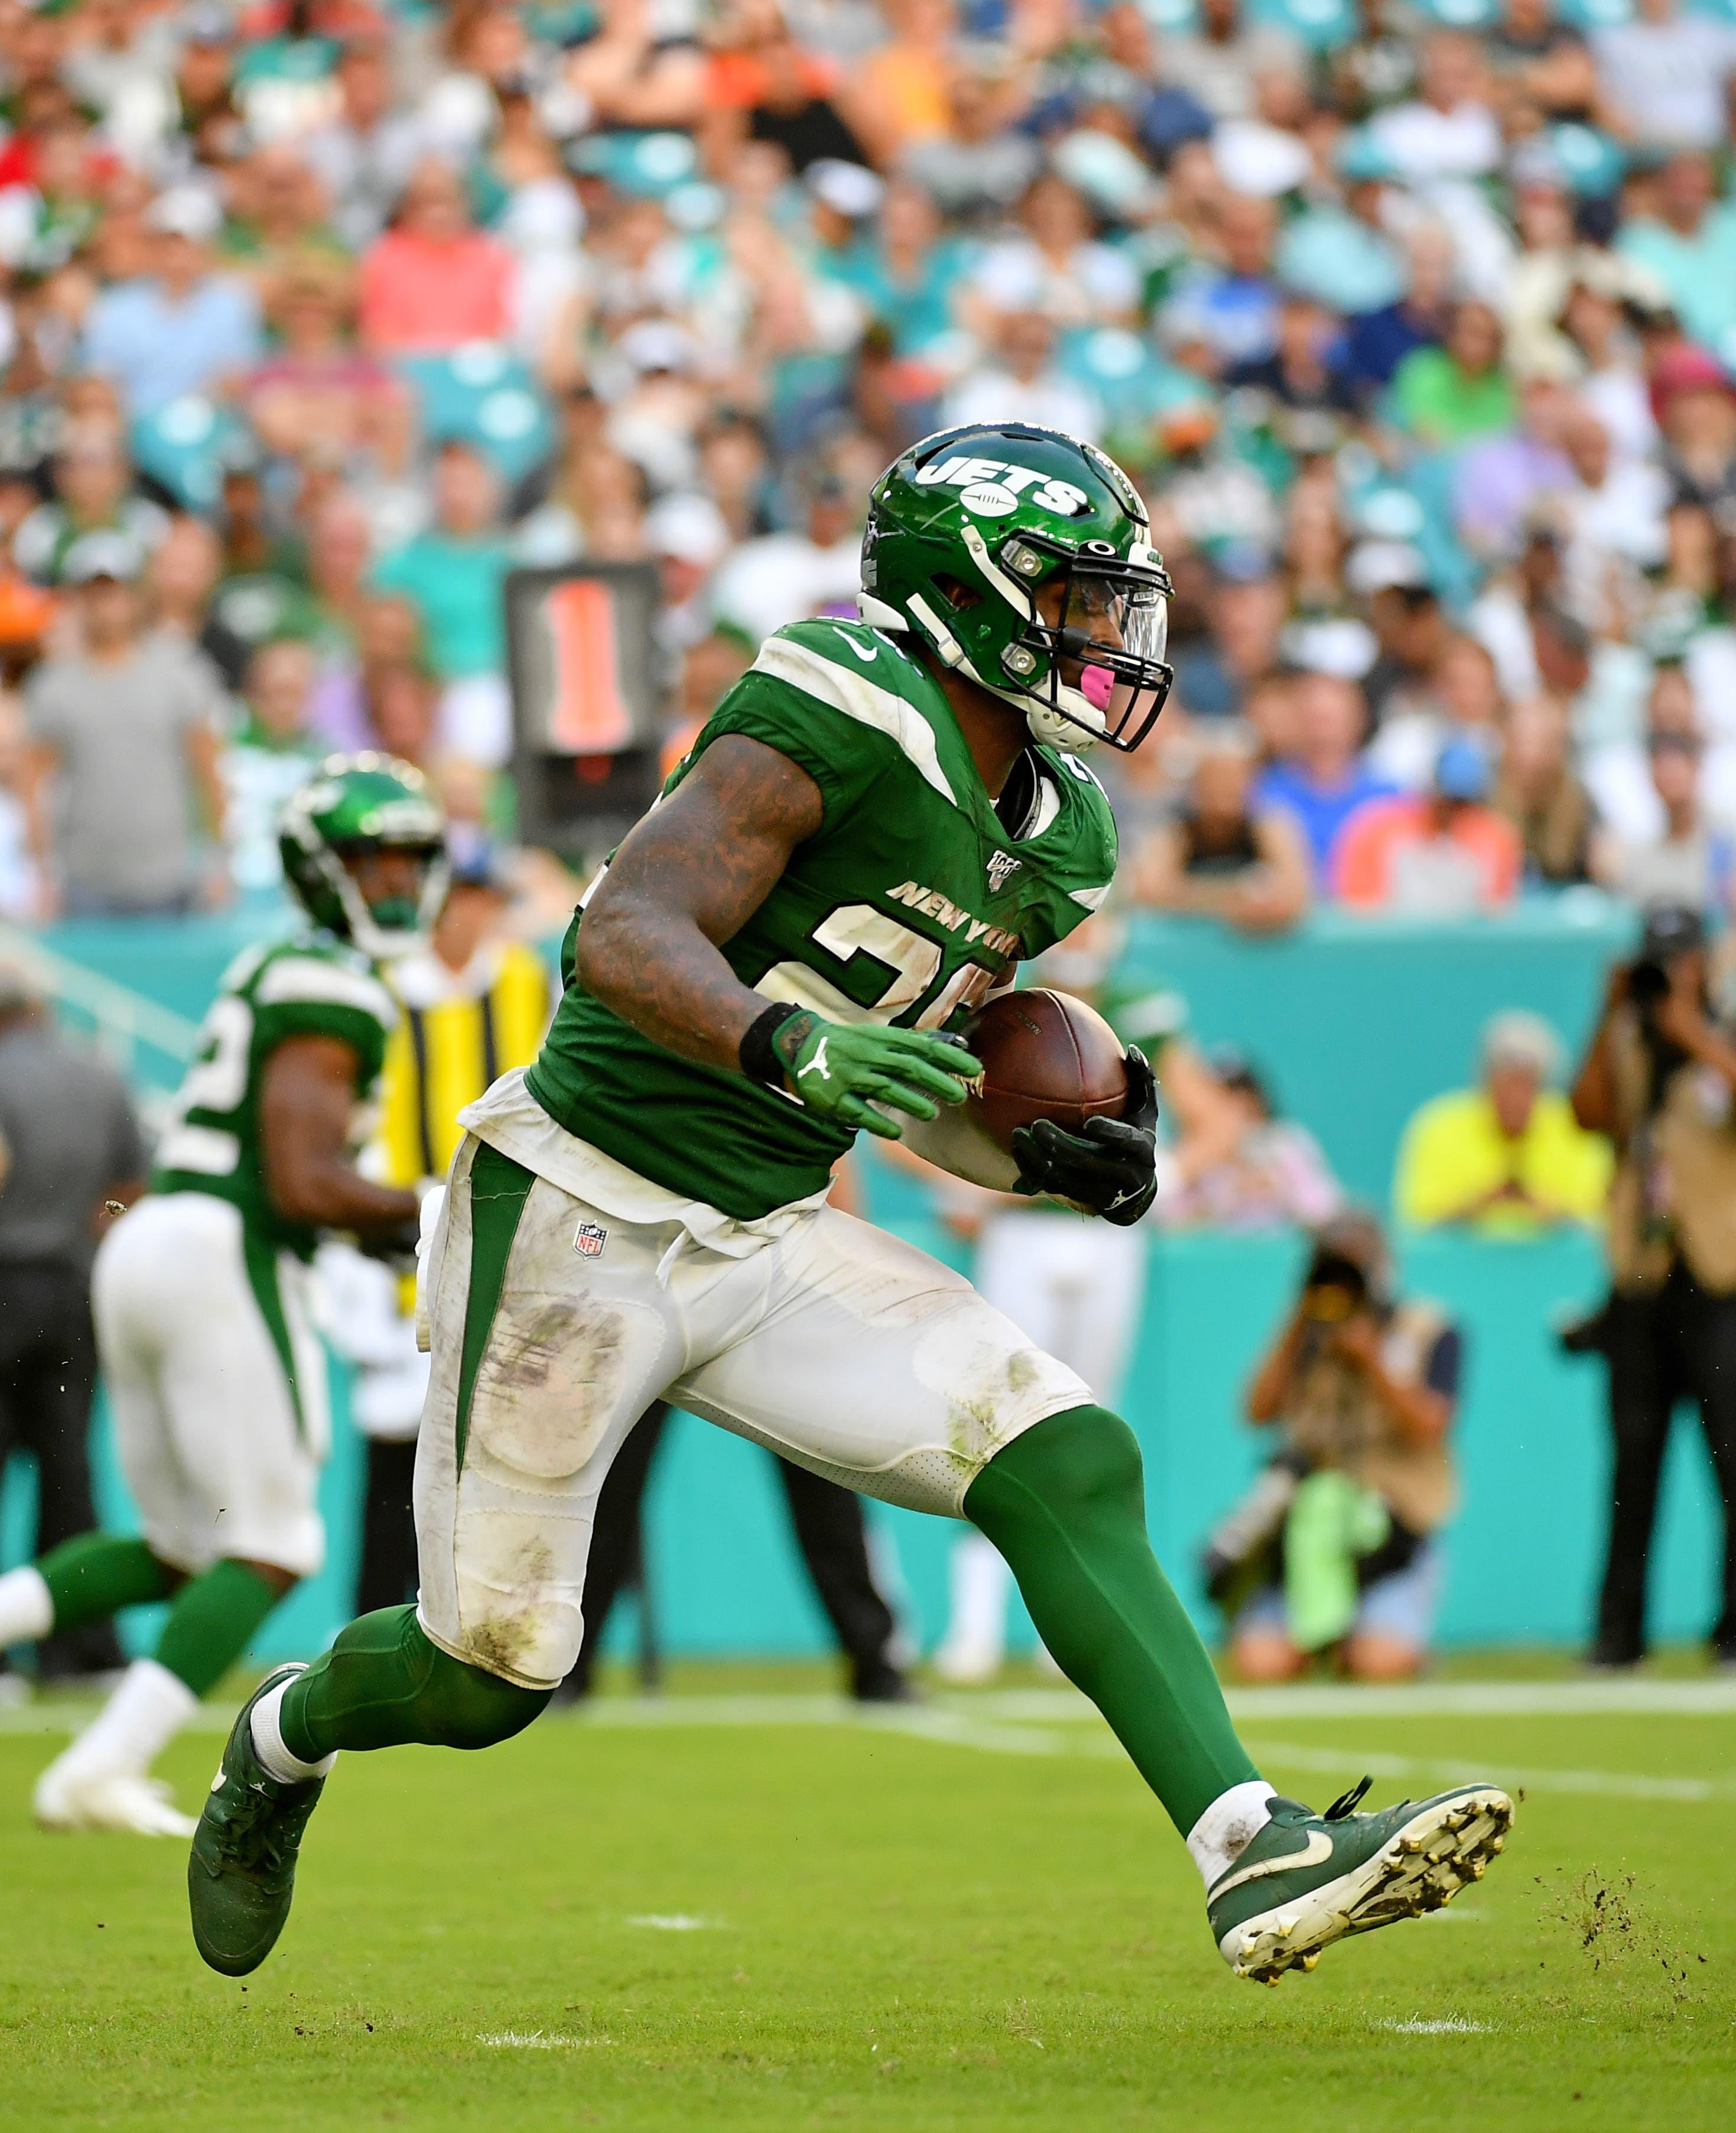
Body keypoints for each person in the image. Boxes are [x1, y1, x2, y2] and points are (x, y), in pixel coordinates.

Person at [186, 424, 1511, 1992]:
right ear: (969, 593)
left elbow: (920, 1070)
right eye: (1076, 604)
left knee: (1066, 1452)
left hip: (759, 1228)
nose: (1109, 641)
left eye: (1113, 608)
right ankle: (274, 1747)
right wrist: (781, 1035)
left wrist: (1045, 1154)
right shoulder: (845, 700)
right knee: (493, 1669)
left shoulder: (1059, 830)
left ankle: (1249, 1843)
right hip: (580, 1204)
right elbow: (622, 932)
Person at [0, 757, 446, 1834]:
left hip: (154, 1237)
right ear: (316, 868)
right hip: (223, 1247)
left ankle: (81, 1727)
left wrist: (393, 1226)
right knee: (271, 1543)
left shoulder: (280, 962)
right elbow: (303, 1180)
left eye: (408, 859)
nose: (394, 883)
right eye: (371, 859)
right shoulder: (329, 980)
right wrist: (443, 1210)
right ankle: (100, 1763)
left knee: (172, 1546)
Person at [320, 845, 552, 1619]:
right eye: (459, 897)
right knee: (397, 1460)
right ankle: (370, 1623)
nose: (470, 915)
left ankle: (488, 1633)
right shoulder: (381, 988)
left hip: (510, 1252)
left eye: (484, 898)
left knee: (504, 1462)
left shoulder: (525, 980)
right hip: (398, 1258)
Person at [1568, 904, 1736, 1669]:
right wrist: (1609, 1016)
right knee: (1631, 1461)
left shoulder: (1718, 1032)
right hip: (1640, 1275)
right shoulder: (1629, 1038)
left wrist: (1689, 1029)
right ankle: (1616, 1634)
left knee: (1731, 1457)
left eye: (1678, 958)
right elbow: (1586, 1113)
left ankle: (1731, 1626)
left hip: (1717, 1277)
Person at [1211, 1213, 1463, 1683]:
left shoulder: (1428, 1328)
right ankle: (1320, 1637)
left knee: (1377, 1662)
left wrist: (1371, 1360)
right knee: (1262, 1664)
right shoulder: (1308, 1332)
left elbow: (1431, 1427)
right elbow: (1256, 1410)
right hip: (1308, 1532)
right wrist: (1299, 1317)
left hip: (1391, 1532)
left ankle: (1384, 1640)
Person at [0, 963, 146, 1687]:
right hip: (74, 1287)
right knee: (68, 1475)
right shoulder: (101, 1075)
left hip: (3, 1284)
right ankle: (75, 1649)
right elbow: (130, 1189)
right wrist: (94, 1230)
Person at [21, 533, 230, 917]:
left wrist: (219, 860)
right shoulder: (53, 687)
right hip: (85, 883)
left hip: (169, 878)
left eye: (116, 591)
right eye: (96, 592)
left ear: (138, 596)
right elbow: (35, 785)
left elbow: (209, 771)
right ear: (78, 599)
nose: (107, 605)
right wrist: (41, 873)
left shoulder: (180, 675)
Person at [1396, 1011, 1612, 1235]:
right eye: (1505, 1083)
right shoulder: (1438, 1129)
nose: (1515, 1098)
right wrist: (1471, 1207)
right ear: (1484, 1082)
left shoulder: (1576, 1129)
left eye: (1526, 1084)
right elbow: (1414, 1228)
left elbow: (1600, 1225)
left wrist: (1554, 1212)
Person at [1136, 725, 1311, 934]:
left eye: (1234, 776)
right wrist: (1232, 898)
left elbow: (1295, 892)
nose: (1224, 786)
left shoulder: (1269, 825)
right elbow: (1149, 889)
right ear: (1196, 782)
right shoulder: (1176, 830)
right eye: (1215, 776)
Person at [1334, 738, 1522, 913]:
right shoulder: (1378, 829)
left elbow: (1497, 913)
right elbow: (1359, 909)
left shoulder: (1496, 838)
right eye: (1448, 800)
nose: (1454, 811)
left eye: (1463, 802)